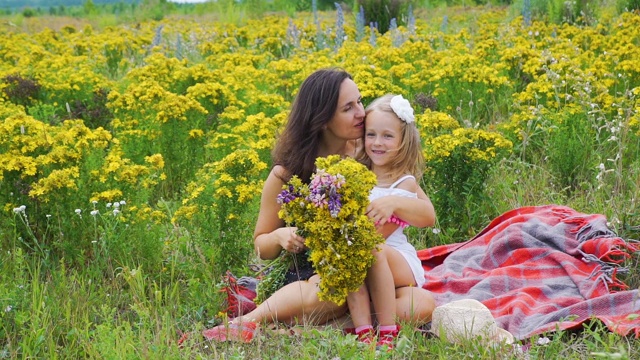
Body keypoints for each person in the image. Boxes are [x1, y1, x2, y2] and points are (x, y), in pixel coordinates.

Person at [201, 68, 436, 343]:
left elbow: (423, 209)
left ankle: (324, 327)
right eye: (348, 107)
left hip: (366, 267)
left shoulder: (368, 152)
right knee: (333, 293)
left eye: (359, 101)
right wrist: (279, 236)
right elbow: (261, 246)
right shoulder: (286, 174)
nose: (361, 112)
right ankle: (246, 323)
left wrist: (393, 202)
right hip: (317, 273)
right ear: (323, 119)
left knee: (421, 303)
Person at [346, 94, 431, 349]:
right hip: (361, 254)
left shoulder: (403, 182)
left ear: (403, 141)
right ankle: (363, 331)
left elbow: (380, 233)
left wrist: (392, 202)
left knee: (369, 248)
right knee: (351, 255)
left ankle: (387, 330)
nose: (377, 143)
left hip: (397, 259)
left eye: (387, 136)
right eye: (370, 135)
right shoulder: (357, 174)